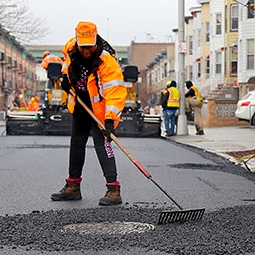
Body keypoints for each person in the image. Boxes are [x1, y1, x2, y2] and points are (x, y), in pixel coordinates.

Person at [50, 21, 127, 206]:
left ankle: (113, 189)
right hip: (80, 104)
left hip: (100, 109)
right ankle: (73, 187)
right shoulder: (70, 49)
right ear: (77, 41)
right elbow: (66, 65)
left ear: (96, 42)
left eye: (90, 46)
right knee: (76, 143)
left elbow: (115, 93)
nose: (86, 50)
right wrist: (65, 79)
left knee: (102, 144)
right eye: (83, 46)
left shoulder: (106, 61)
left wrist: (109, 121)